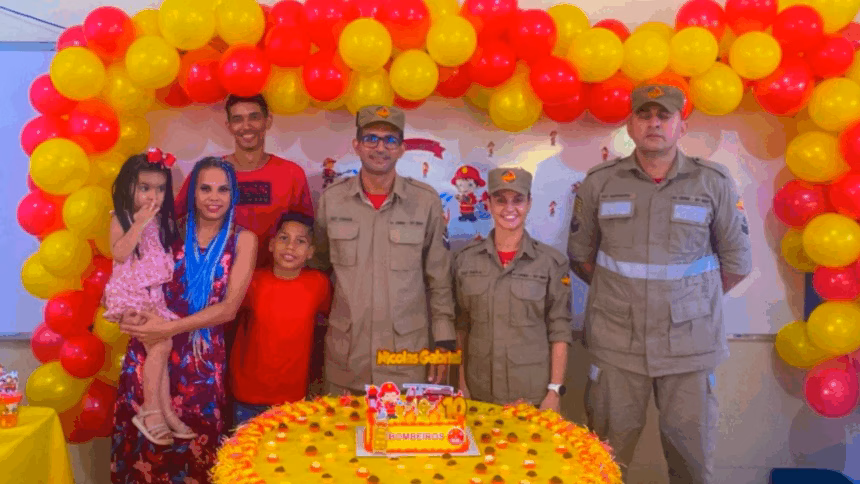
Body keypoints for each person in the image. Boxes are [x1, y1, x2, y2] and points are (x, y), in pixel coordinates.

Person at [567, 84, 752, 484]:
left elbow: (736, 263)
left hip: (690, 347)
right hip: (617, 346)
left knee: (691, 467)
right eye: (645, 116)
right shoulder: (600, 182)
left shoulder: (712, 182)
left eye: (664, 116)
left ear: (680, 126)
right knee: (601, 465)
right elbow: (581, 257)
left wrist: (688, 302)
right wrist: (625, 300)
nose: (654, 124)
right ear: (630, 125)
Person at [112, 157, 256, 483]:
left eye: (223, 189)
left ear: (234, 194)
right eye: (205, 188)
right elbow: (130, 273)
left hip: (201, 364)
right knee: (143, 458)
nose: (214, 197)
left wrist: (168, 327)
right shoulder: (168, 230)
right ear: (192, 192)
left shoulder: (243, 240)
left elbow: (228, 308)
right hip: (150, 354)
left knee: (195, 459)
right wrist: (121, 308)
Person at [312, 104, 455, 395]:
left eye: (390, 140)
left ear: (402, 149)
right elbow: (319, 270)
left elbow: (438, 280)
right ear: (357, 145)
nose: (380, 147)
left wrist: (443, 342)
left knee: (402, 439)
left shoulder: (425, 202)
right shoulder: (332, 201)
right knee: (340, 438)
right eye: (371, 138)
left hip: (405, 358)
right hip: (346, 357)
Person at [453, 167, 572, 411]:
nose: (509, 208)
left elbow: (559, 330)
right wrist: (461, 384)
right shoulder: (465, 261)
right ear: (488, 204)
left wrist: (554, 391)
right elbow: (460, 327)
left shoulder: (551, 263)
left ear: (529, 203)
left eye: (518, 200)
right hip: (478, 393)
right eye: (500, 200)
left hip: (531, 395)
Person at [102, 149, 191, 445]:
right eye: (145, 188)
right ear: (129, 187)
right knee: (161, 344)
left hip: (151, 296)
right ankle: (151, 411)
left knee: (162, 350)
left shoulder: (160, 223)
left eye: (160, 188)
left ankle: (166, 413)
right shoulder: (124, 217)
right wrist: (138, 223)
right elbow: (119, 252)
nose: (153, 195)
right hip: (130, 294)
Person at [174, 94, 313, 269]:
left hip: (274, 282)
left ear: (267, 121)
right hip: (216, 283)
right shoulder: (207, 174)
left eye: (254, 117)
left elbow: (306, 234)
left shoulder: (292, 174)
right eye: (238, 119)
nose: (246, 126)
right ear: (229, 126)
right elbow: (172, 222)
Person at [228, 211, 332, 425]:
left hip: (291, 398)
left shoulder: (319, 284)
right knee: (243, 455)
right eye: (284, 238)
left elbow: (328, 324)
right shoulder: (251, 281)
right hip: (247, 394)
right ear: (272, 244)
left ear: (311, 252)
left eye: (300, 241)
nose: (291, 246)